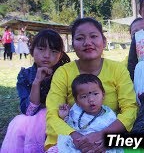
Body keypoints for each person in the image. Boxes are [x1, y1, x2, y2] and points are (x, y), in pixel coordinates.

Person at [45, 17, 138, 152]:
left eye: (93, 36)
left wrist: (104, 136)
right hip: (71, 140)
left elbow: (130, 109)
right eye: (80, 38)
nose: (88, 42)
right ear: (73, 44)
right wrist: (77, 138)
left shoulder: (118, 70)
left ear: (104, 41)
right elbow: (53, 114)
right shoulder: (63, 72)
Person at [1, 29, 70, 153]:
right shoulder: (25, 75)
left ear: (60, 55)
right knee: (19, 124)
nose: (47, 55)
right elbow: (29, 111)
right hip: (34, 119)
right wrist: (37, 81)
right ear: (32, 50)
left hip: (62, 117)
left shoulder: (66, 73)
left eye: (54, 51)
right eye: (41, 49)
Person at [47, 74, 118, 152]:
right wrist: (65, 117)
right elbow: (70, 126)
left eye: (95, 94)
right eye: (84, 96)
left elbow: (113, 135)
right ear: (77, 101)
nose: (91, 99)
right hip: (75, 145)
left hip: (98, 147)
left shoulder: (109, 116)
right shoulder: (76, 111)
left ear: (103, 95)